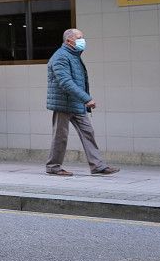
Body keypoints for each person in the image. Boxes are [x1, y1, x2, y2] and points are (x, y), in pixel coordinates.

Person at [46, 28, 119, 176]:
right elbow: (65, 82)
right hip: (63, 104)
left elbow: (78, 82)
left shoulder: (74, 55)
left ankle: (98, 166)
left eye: (82, 37)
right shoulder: (60, 57)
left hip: (75, 103)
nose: (82, 41)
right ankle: (53, 166)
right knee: (60, 136)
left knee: (88, 132)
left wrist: (83, 99)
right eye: (79, 38)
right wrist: (86, 98)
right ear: (68, 41)